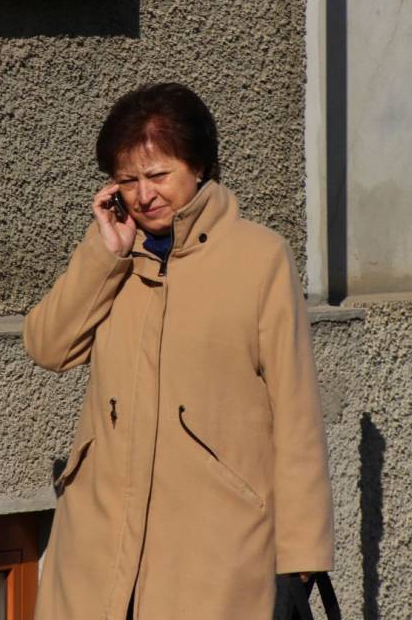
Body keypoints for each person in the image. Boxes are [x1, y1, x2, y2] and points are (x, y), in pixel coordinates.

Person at [24, 82, 334, 620]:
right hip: (99, 542)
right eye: (127, 180)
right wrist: (104, 253)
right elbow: (49, 347)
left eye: (158, 175)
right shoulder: (116, 255)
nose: (143, 195)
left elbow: (296, 411)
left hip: (214, 547)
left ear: (199, 167)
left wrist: (301, 558)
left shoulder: (260, 258)